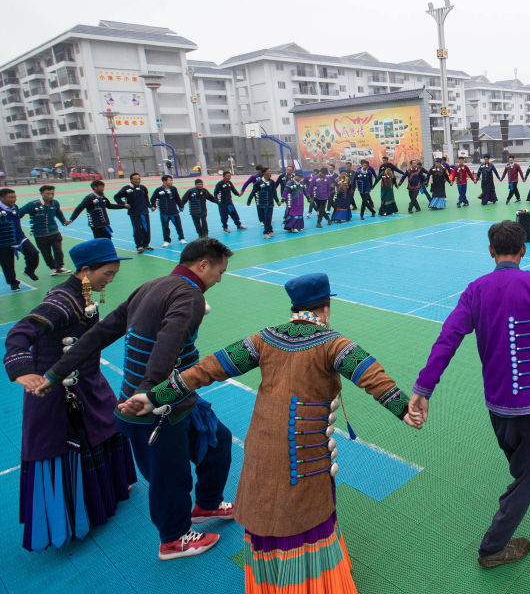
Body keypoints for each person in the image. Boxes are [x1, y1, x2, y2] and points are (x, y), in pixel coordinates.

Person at [118, 272, 420, 591]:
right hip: (304, 457)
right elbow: (371, 375)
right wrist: (406, 410)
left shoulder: (264, 339)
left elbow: (207, 369)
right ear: (326, 308)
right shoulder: (334, 344)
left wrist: (154, 396)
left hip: (261, 448)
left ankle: (269, 582)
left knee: (266, 506)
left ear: (294, 307)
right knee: (303, 514)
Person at [408, 220, 530, 568]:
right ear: (524, 250)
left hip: (498, 404)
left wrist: (424, 387)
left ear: (491, 251)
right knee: (529, 473)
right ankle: (492, 546)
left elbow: (448, 338)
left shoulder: (476, 290)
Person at [36, 237, 236, 560]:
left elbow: (99, 334)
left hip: (173, 396)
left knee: (218, 441)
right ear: (203, 265)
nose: (219, 279)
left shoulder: (150, 286)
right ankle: (173, 540)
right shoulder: (189, 296)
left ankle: (207, 504)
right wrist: (148, 391)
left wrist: (55, 373)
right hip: (155, 404)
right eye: (219, 272)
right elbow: (169, 342)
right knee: (170, 476)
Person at [4, 238, 136, 551]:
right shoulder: (62, 301)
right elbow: (20, 332)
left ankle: (109, 491)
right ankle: (76, 514)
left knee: (108, 427)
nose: (110, 279)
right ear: (85, 270)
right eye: (107, 273)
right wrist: (21, 369)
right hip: (59, 392)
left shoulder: (84, 294)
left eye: (114, 274)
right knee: (68, 445)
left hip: (88, 381)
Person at [19, 185, 70, 275]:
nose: (50, 196)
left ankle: (59, 267)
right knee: (46, 253)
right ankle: (53, 268)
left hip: (54, 232)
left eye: (52, 193)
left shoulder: (55, 203)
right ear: (42, 194)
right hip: (40, 234)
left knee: (58, 250)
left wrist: (64, 221)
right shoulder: (33, 204)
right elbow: (19, 213)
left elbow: (58, 213)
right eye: (48, 194)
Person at [0, 188, 41, 290]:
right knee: (7, 264)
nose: (13, 200)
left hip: (19, 237)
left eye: (14, 197)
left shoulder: (15, 207)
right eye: (10, 197)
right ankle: (13, 283)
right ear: (2, 198)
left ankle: (29, 271)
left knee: (33, 253)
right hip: (3, 241)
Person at [114, 174, 154, 252]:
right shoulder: (126, 188)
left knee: (146, 229)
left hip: (144, 212)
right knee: (137, 229)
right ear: (131, 180)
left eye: (138, 179)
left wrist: (150, 206)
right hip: (134, 213)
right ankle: (139, 246)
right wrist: (123, 204)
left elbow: (146, 198)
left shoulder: (143, 188)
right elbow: (116, 197)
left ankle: (146, 244)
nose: (137, 181)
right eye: (135, 179)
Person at [150, 175, 186, 247]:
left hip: (174, 212)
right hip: (164, 213)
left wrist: (181, 206)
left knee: (178, 226)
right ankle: (167, 240)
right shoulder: (158, 190)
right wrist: (153, 206)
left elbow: (177, 198)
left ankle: (181, 238)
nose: (172, 182)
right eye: (170, 180)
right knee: (165, 227)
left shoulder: (173, 189)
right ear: (164, 181)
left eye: (172, 180)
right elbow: (152, 199)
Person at [248, 168, 282, 239]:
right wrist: (249, 200)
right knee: (265, 219)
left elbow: (274, 193)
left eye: (270, 171)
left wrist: (277, 201)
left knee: (268, 218)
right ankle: (270, 230)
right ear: (263, 173)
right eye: (268, 171)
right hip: (261, 203)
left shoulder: (272, 182)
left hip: (270, 204)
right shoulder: (258, 183)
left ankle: (265, 233)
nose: (270, 173)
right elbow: (253, 192)